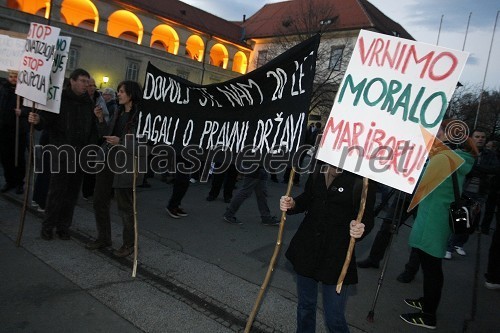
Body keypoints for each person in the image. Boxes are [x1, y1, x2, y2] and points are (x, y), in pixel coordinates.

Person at [280, 163, 376, 332]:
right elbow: (309, 197)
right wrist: (292, 203)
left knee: (334, 317)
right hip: (307, 249)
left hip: (337, 256)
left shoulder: (363, 177)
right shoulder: (320, 167)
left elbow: (367, 217)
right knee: (305, 307)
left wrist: (361, 228)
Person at [400, 122, 477, 329]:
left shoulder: (444, 158)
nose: (433, 135)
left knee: (432, 268)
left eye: (438, 132)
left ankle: (428, 315)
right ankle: (426, 302)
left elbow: (418, 180)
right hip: (436, 219)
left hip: (432, 221)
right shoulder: (452, 157)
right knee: (430, 266)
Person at [28, 68, 106, 240]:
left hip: (80, 156)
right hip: (61, 153)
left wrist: (92, 143)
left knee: (72, 194)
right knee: (56, 192)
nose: (87, 85)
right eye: (83, 81)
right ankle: (48, 226)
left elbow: (95, 131)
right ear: (72, 81)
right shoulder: (59, 99)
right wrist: (38, 120)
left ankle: (64, 226)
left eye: (88, 82)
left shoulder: (89, 103)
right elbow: (46, 120)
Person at [86, 80, 146, 257]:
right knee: (99, 201)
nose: (118, 94)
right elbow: (106, 135)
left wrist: (121, 142)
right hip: (107, 161)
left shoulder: (141, 118)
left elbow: (144, 147)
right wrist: (100, 119)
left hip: (125, 166)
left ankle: (129, 244)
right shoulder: (117, 111)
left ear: (131, 95)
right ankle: (104, 238)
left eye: (121, 91)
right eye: (118, 91)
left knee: (125, 208)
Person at [445, 129, 498, 259]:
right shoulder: (465, 152)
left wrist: (476, 170)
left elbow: (495, 169)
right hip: (464, 190)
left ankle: (459, 244)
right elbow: (466, 170)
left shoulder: (490, 155)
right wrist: (480, 171)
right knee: (461, 220)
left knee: (472, 221)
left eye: (483, 137)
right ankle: (449, 247)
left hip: (481, 193)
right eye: (477, 136)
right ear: (471, 138)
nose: (480, 139)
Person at [81, 77, 110, 201]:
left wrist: (100, 116)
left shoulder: (99, 98)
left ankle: (87, 191)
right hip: (81, 136)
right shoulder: (81, 98)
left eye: (94, 85)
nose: (92, 88)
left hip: (94, 136)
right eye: (90, 85)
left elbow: (106, 117)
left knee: (91, 165)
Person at [0, 69, 28, 195]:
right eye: (11, 76)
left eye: (15, 76)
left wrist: (22, 112)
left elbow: (30, 108)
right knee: (6, 157)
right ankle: (9, 181)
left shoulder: (24, 91)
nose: (12, 78)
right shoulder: (3, 89)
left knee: (19, 158)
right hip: (4, 129)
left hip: (19, 130)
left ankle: (19, 183)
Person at [480, 140, 500, 235]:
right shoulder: (487, 156)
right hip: (490, 185)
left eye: (489, 147)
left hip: (493, 186)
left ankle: (484, 227)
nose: (487, 149)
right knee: (488, 208)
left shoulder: (493, 157)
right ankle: (484, 227)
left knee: (489, 208)